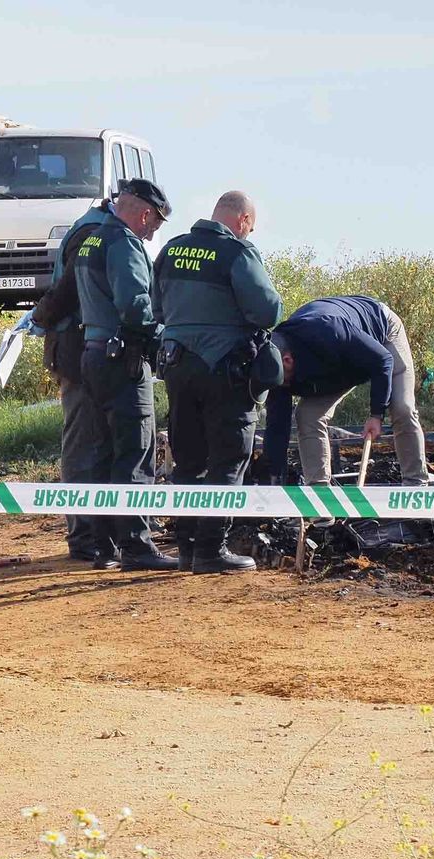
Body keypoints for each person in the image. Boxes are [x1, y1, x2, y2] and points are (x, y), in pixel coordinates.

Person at [154, 190, 284, 574]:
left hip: (177, 367)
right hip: (226, 371)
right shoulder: (238, 253)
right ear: (243, 220)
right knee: (227, 460)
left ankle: (186, 550)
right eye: (251, 227)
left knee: (188, 461)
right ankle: (212, 550)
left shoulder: (173, 250)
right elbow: (267, 311)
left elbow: (156, 307)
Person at [73, 177, 181, 571]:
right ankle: (136, 545)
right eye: (155, 224)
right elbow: (136, 307)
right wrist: (164, 335)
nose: (153, 233)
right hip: (122, 360)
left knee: (103, 452)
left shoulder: (92, 238)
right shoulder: (124, 243)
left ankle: (104, 546)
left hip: (93, 355)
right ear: (145, 213)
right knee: (136, 451)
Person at [263, 295, 429, 487]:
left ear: (287, 360)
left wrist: (376, 414)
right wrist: (275, 478)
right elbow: (277, 427)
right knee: (307, 416)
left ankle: (416, 486)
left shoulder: (328, 331)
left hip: (383, 334)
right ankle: (320, 499)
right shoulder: (272, 366)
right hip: (341, 366)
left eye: (283, 380)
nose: (283, 386)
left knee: (402, 407)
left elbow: (383, 361)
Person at [33, 191, 114, 561]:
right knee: (84, 447)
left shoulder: (88, 227)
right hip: (78, 353)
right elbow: (68, 292)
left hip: (76, 352)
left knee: (92, 444)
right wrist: (40, 317)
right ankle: (84, 537)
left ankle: (94, 532)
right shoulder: (93, 233)